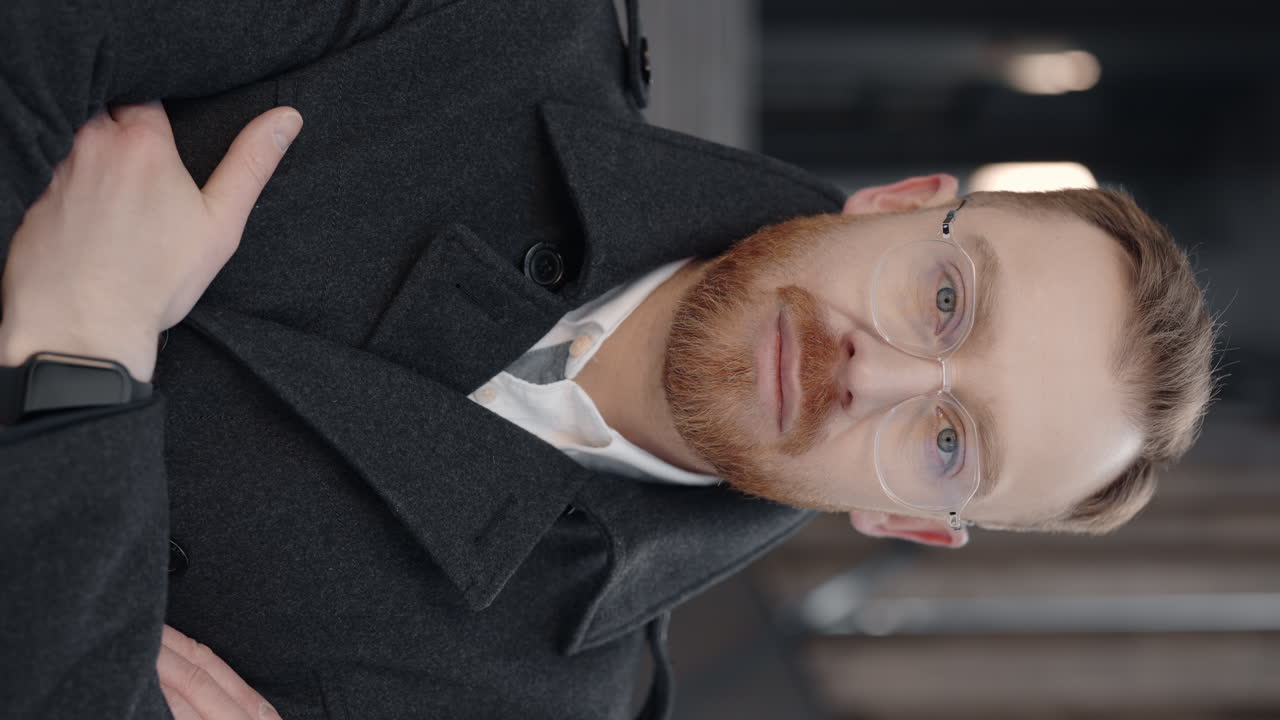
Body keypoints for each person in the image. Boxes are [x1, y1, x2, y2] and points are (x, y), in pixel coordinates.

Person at [0, 0, 1216, 718]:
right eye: (945, 300)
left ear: (909, 525)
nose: (875, 376)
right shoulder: (486, 24)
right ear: (895, 201)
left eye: (950, 442)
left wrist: (80, 354)